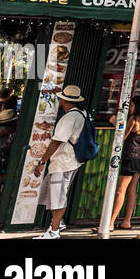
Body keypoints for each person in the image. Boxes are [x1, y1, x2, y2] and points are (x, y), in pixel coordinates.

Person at [30, 85, 87, 240]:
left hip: (63, 162)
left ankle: (54, 231)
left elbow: (56, 142)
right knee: (55, 194)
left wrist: (42, 161)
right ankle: (57, 223)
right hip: (70, 161)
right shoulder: (82, 114)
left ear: (64, 100)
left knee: (58, 196)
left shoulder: (69, 117)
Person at [98, 96, 140, 233]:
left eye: (132, 105)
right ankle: (126, 221)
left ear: (137, 107)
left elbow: (122, 136)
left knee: (120, 191)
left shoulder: (134, 119)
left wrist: (113, 121)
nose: (130, 107)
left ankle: (110, 223)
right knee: (131, 190)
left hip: (130, 157)